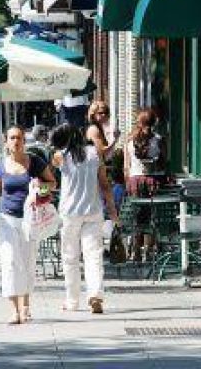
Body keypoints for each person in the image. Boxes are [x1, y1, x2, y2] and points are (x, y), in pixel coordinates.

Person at [0, 126, 55, 325]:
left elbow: (53, 184)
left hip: (29, 219)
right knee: (9, 263)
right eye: (12, 138)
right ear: (6, 142)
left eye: (19, 138)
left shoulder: (35, 162)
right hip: (6, 220)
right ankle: (14, 310)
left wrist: (38, 186)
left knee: (27, 262)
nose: (16, 141)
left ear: (24, 141)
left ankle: (26, 305)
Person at [49, 123, 119, 314]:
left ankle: (72, 301)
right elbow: (105, 185)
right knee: (93, 254)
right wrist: (112, 210)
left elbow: (54, 164)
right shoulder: (94, 154)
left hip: (69, 213)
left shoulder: (61, 156)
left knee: (70, 258)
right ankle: (95, 294)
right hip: (93, 210)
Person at [123, 109, 165, 261]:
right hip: (152, 180)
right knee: (152, 216)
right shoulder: (158, 139)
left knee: (136, 216)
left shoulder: (129, 140)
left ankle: (135, 250)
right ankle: (148, 250)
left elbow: (126, 167)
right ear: (154, 123)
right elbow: (163, 164)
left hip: (134, 181)